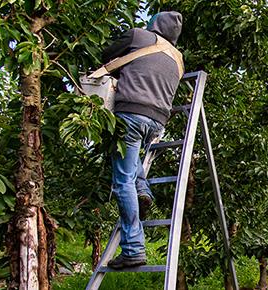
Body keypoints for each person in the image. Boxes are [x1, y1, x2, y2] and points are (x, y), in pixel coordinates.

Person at [100, 11, 183, 269]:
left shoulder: (139, 35)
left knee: (122, 180)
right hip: (157, 122)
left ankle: (133, 249)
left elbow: (107, 55)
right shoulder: (178, 58)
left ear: (154, 24)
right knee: (133, 164)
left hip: (130, 113)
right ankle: (143, 192)